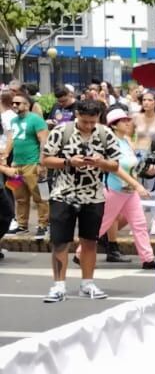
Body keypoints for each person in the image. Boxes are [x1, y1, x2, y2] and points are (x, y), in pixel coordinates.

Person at [40, 98, 122, 303]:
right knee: (60, 242)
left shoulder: (105, 133)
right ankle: (58, 286)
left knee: (90, 241)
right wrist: (68, 161)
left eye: (92, 122)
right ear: (77, 115)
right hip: (63, 193)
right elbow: (46, 160)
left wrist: (100, 162)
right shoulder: (61, 131)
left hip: (93, 195)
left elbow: (115, 165)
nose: (89, 125)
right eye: (85, 121)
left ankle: (87, 284)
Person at [98, 107, 155, 269]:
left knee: (140, 224)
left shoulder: (127, 141)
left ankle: (148, 259)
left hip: (129, 191)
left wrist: (145, 172)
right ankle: (82, 253)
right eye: (123, 120)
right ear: (114, 125)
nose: (128, 122)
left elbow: (132, 165)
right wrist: (137, 185)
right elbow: (116, 168)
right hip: (114, 189)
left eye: (128, 119)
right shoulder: (110, 142)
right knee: (103, 224)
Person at [2, 88, 50, 237]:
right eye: (13, 103)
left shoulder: (35, 119)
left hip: (32, 163)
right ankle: (22, 225)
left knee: (40, 197)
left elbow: (44, 140)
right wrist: (5, 156)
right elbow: (11, 139)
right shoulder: (13, 120)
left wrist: (42, 163)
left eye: (18, 103)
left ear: (27, 105)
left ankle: (43, 225)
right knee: (19, 196)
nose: (14, 105)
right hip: (17, 164)